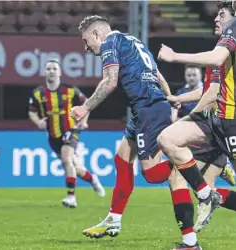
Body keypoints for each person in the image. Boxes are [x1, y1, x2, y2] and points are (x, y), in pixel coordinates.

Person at [71, 15, 217, 250]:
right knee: (121, 158)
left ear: (98, 34)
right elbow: (157, 75)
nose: (86, 47)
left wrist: (85, 107)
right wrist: (169, 101)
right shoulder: (132, 40)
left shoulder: (110, 43)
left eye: (87, 41)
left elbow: (110, 81)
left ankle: (197, 162)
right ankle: (114, 219)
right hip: (148, 108)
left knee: (153, 174)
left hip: (147, 108)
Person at [157, 0, 236, 234]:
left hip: (232, 123)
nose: (216, 19)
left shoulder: (232, 31)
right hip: (215, 120)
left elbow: (214, 62)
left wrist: (174, 57)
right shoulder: (222, 46)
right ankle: (206, 196)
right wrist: (181, 103)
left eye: (221, 14)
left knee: (177, 175)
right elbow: (210, 90)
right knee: (168, 139)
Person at [28, 59, 105, 208]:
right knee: (75, 168)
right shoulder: (38, 93)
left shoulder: (69, 90)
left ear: (59, 72)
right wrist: (38, 122)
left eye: (54, 69)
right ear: (45, 72)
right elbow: (31, 112)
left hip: (71, 130)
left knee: (66, 159)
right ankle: (93, 180)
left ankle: (71, 196)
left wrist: (83, 121)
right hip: (53, 135)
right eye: (49, 68)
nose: (51, 71)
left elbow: (86, 103)